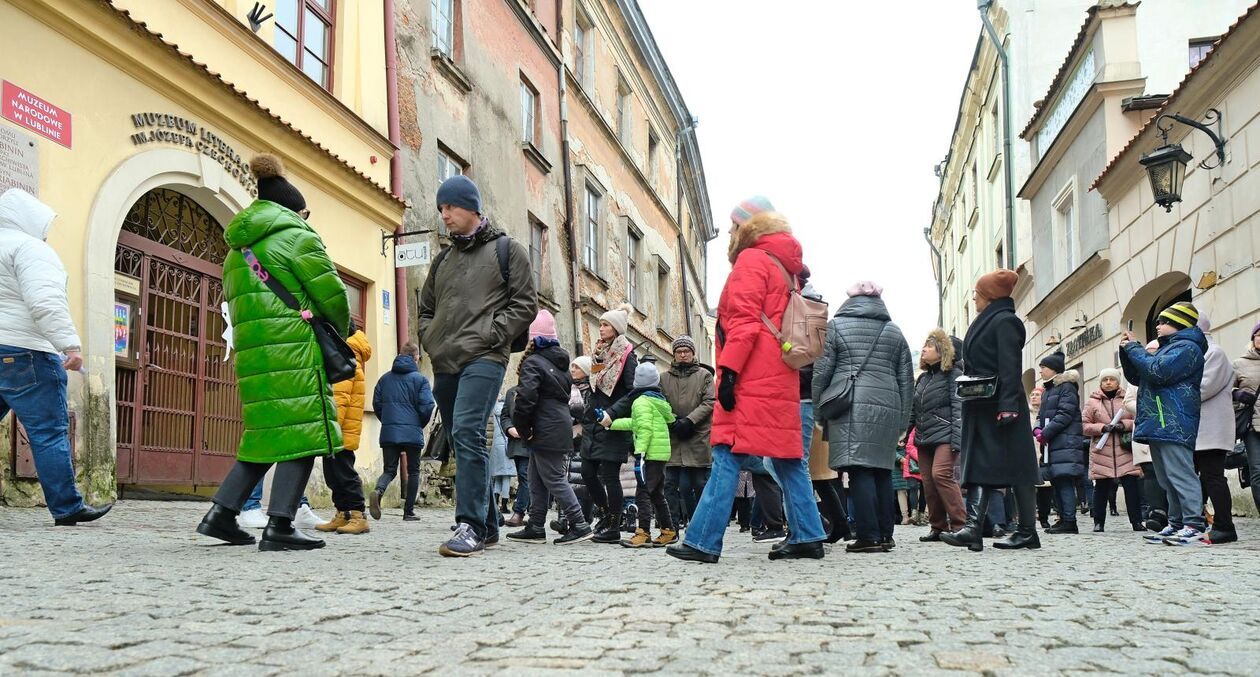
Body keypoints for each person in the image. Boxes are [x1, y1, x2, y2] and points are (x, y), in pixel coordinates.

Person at [196, 154, 349, 551]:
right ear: (294, 210)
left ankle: (221, 514)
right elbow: (332, 296)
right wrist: (341, 329)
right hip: (294, 349)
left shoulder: (234, 252)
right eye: (306, 212)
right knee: (304, 432)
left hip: (254, 357)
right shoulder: (298, 236)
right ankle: (280, 523)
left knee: (265, 436)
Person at [667, 203, 826, 563]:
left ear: (747, 227)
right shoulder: (785, 268)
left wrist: (730, 374)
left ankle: (702, 541)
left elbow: (742, 323)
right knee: (786, 458)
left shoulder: (752, 261)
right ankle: (808, 534)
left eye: (731, 225)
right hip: (779, 376)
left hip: (750, 377)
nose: (727, 233)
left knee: (726, 453)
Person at [419, 175, 537, 557]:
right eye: (440, 209)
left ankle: (468, 524)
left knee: (469, 429)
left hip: (486, 356)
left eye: (450, 207)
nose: (444, 215)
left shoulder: (508, 250)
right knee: (457, 436)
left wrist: (493, 334)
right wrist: (431, 339)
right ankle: (487, 525)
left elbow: (525, 304)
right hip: (446, 359)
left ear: (471, 207)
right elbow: (425, 310)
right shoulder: (442, 261)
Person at [0, 188, 112, 526]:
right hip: (26, 351)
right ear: (31, 220)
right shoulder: (30, 248)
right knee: (48, 431)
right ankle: (67, 507)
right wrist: (70, 346)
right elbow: (45, 302)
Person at [813, 281, 914, 554]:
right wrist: (903, 420)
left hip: (850, 405)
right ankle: (885, 534)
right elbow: (907, 379)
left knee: (859, 469)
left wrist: (820, 411)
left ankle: (868, 535)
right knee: (881, 468)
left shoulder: (836, 326)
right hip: (888, 405)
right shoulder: (894, 331)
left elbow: (822, 371)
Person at [944, 269, 1041, 552]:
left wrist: (1009, 405)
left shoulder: (1005, 322)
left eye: (977, 294)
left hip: (1000, 404)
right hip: (980, 404)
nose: (974, 298)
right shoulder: (988, 320)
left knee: (1020, 468)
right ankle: (973, 529)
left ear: (989, 295)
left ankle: (1026, 531)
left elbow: (1010, 366)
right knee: (977, 464)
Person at [1119, 301, 1208, 546]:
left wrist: (1135, 349)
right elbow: (1139, 376)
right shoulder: (1167, 348)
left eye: (1164, 321)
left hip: (1174, 420)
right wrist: (1127, 352)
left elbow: (1157, 372)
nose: (1158, 326)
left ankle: (1194, 524)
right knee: (1166, 476)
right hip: (1160, 419)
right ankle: (1177, 523)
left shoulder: (1187, 348)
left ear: (1179, 324)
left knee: (1180, 473)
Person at [506, 311, 594, 545]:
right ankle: (535, 526)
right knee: (536, 478)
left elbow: (525, 399)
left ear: (533, 338)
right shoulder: (560, 364)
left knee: (554, 478)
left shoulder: (534, 362)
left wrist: (523, 429)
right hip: (556, 424)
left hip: (545, 426)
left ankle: (579, 524)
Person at [581, 303, 638, 543]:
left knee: (610, 475)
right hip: (593, 422)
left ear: (616, 328)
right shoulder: (599, 353)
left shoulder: (627, 355)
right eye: (601, 324)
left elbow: (632, 391)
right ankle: (604, 513)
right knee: (587, 472)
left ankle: (614, 524)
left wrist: (612, 413)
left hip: (613, 422)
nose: (601, 328)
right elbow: (595, 386)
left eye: (605, 325)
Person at [605, 362, 677, 547]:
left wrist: (640, 451)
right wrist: (610, 423)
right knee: (657, 494)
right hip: (660, 454)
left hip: (649, 455)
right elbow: (635, 423)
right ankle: (668, 531)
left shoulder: (640, 401)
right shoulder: (657, 401)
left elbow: (643, 428)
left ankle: (643, 532)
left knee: (643, 493)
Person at [911, 328, 966, 540]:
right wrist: (904, 433)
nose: (924, 349)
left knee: (940, 475)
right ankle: (938, 526)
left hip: (945, 435)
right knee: (928, 481)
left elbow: (958, 409)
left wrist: (956, 439)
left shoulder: (954, 375)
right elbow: (914, 411)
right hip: (925, 437)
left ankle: (960, 524)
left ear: (942, 351)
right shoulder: (923, 379)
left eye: (929, 346)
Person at [318, 322, 372, 535]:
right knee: (332, 474)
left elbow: (339, 400)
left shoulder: (346, 359)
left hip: (339, 432)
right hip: (336, 432)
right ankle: (342, 513)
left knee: (344, 474)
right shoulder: (346, 356)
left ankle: (358, 515)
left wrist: (330, 428)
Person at [370, 342, 434, 521]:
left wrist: (389, 421)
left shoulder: (384, 379)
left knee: (390, 469)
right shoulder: (420, 380)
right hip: (412, 432)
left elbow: (377, 404)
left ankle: (378, 490)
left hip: (390, 431)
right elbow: (427, 406)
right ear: (415, 358)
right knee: (413, 470)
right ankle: (409, 512)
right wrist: (417, 423)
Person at [658, 335, 714, 529]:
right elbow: (660, 402)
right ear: (674, 354)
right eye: (679, 352)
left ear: (692, 353)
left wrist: (690, 420)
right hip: (673, 436)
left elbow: (709, 402)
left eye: (686, 352)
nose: (683, 355)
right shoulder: (664, 378)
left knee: (699, 484)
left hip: (697, 435)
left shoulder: (704, 376)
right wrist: (673, 420)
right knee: (670, 483)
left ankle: (700, 524)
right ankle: (671, 524)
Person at [1192, 313, 1237, 544]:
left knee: (1213, 478)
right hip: (1196, 429)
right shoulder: (1198, 351)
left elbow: (1203, 388)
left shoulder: (1214, 352)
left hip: (1211, 429)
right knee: (1195, 478)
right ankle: (1195, 522)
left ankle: (1225, 526)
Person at [1034, 351, 1086, 535]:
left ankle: (1070, 520)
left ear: (1054, 369)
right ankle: (1063, 518)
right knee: (1056, 480)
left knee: (1064, 481)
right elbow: (1042, 415)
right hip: (1054, 444)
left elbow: (1065, 414)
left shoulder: (1066, 388)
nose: (1040, 371)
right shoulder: (1049, 390)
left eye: (1043, 368)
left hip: (1065, 443)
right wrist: (1037, 429)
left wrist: (1046, 432)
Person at [1081, 368, 1138, 532]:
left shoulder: (1127, 398)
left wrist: (1123, 426)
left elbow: (1137, 419)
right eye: (1105, 379)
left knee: (1131, 486)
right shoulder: (1092, 402)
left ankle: (1136, 521)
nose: (1108, 382)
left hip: (1125, 449)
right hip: (1102, 450)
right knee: (1101, 488)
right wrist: (1102, 427)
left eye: (1111, 379)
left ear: (1118, 381)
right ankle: (1098, 523)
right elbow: (1084, 426)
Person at [1126, 341, 1167, 531]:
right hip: (1144, 426)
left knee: (1170, 470)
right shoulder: (1136, 375)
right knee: (1150, 472)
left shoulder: (1167, 370)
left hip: (1167, 427)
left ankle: (1173, 511)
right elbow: (1128, 401)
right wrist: (1147, 409)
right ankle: (1156, 511)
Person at [1232, 321, 1260, 515]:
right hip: (1252, 425)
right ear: (1253, 339)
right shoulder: (1239, 363)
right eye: (1259, 335)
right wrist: (1237, 394)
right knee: (1257, 470)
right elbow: (1225, 389)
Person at [500, 385, 531, 527]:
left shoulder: (542, 389)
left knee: (526, 477)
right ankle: (531, 512)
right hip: (517, 442)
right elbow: (505, 415)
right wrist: (509, 428)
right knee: (523, 477)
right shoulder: (511, 392)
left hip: (534, 441)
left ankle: (519, 512)